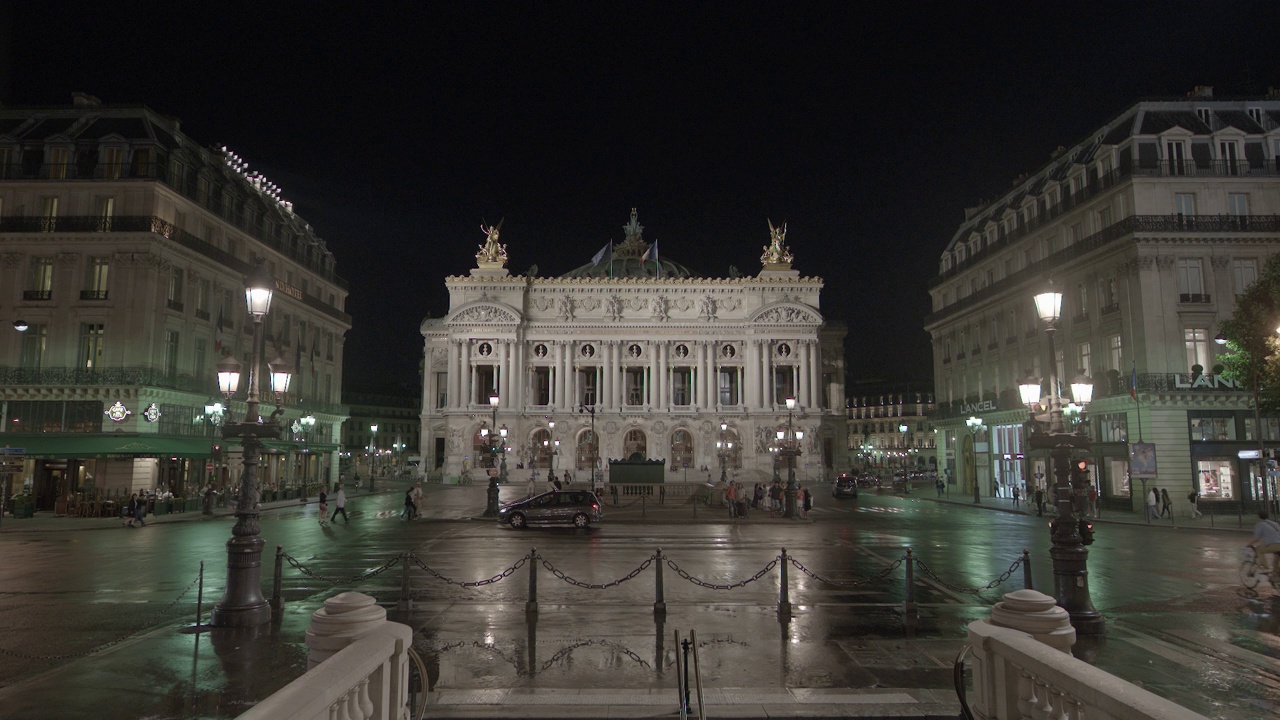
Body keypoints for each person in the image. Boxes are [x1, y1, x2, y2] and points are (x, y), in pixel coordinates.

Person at [1248, 510, 1280, 579]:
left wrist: (1249, 544)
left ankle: (1266, 568)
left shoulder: (1261, 524)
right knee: (1276, 557)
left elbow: (1257, 538)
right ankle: (1276, 576)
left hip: (1274, 545)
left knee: (1259, 550)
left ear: (1259, 517)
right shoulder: (1274, 523)